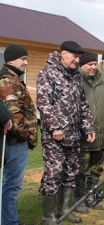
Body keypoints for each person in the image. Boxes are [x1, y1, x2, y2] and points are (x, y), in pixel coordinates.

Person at [36, 41, 95, 225]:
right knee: (54, 174)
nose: (77, 60)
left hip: (73, 135)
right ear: (63, 54)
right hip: (55, 137)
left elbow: (83, 104)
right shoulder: (48, 73)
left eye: (79, 57)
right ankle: (48, 216)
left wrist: (89, 127)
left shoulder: (76, 77)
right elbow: (44, 103)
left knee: (71, 173)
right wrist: (55, 127)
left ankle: (65, 210)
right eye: (74, 57)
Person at [0, 44, 38, 225]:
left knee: (11, 185)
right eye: (23, 59)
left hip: (16, 142)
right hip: (15, 142)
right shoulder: (8, 82)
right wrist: (27, 136)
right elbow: (13, 115)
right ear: (10, 60)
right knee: (12, 186)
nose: (26, 62)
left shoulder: (13, 79)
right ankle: (10, 222)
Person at [73, 51, 104, 214]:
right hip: (84, 137)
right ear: (82, 65)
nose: (93, 67)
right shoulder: (75, 81)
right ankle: (79, 200)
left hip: (103, 136)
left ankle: (91, 197)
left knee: (96, 170)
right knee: (81, 171)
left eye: (95, 64)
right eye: (89, 64)